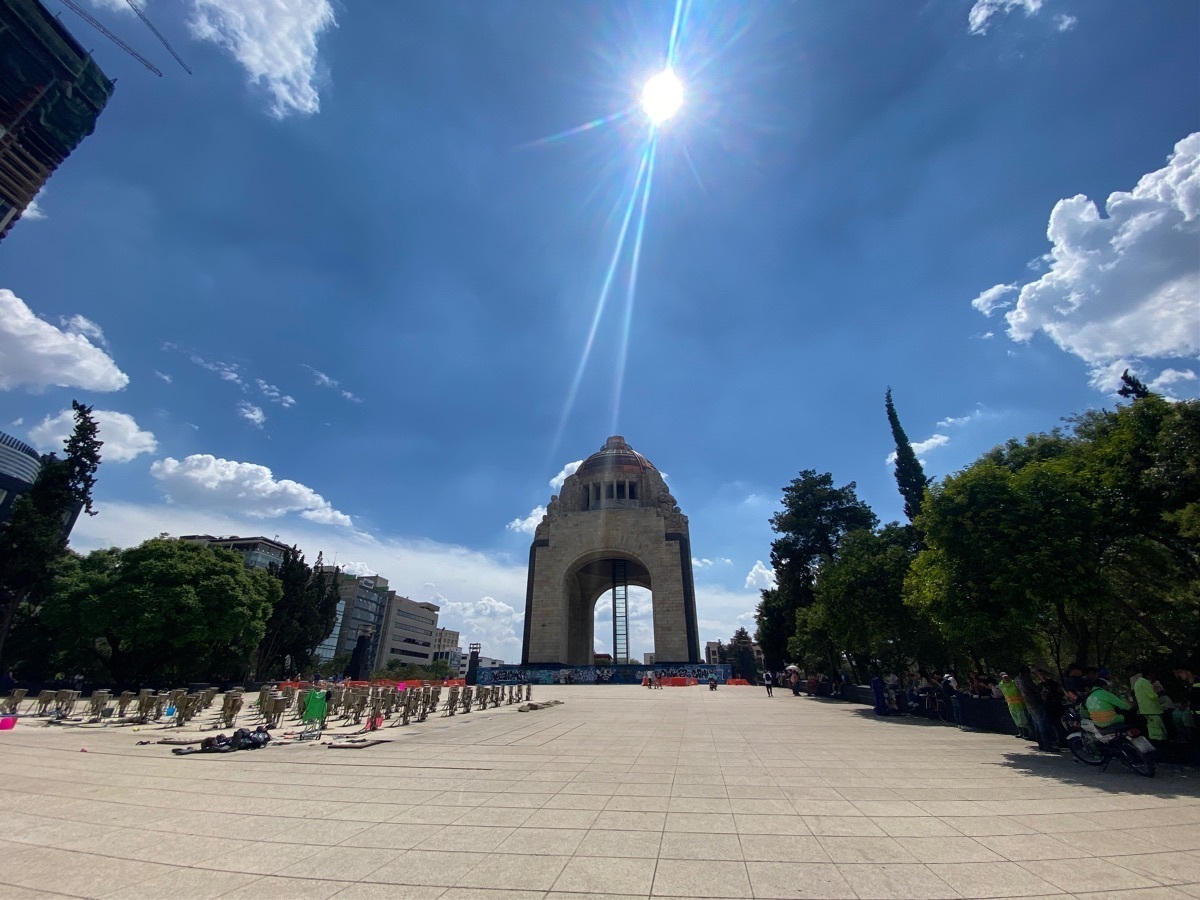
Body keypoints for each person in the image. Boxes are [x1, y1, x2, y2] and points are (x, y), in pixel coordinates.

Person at [1016, 666, 1055, 751]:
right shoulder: (1025, 680)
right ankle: (1046, 745)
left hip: (1029, 704)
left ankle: (1041, 744)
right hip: (1035, 703)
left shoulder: (1018, 680)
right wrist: (1042, 690)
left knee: (1037, 724)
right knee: (1042, 724)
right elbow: (1035, 689)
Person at [1128, 666, 1166, 741]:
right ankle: (1160, 743)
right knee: (1157, 729)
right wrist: (1159, 692)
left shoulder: (1137, 683)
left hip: (1145, 710)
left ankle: (1156, 743)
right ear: (1150, 674)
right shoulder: (1145, 682)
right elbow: (1153, 696)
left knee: (1152, 728)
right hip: (1152, 710)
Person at [998, 672, 1030, 740]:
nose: (1006, 678)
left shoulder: (1014, 683)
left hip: (1019, 704)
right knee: (1016, 719)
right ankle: (1020, 732)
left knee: (1022, 719)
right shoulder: (1001, 685)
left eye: (1006, 676)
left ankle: (1025, 733)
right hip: (1011, 705)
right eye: (1004, 677)